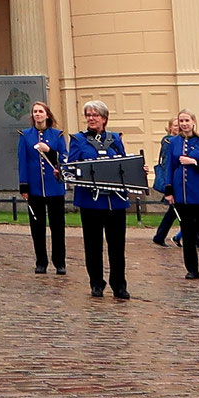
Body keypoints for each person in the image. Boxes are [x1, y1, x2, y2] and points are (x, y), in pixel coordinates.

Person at [68, 99, 131, 300]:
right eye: (88, 115)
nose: (91, 118)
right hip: (91, 201)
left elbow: (123, 162)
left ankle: (119, 285)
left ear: (104, 118)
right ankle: (96, 283)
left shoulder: (115, 138)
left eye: (95, 115)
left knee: (117, 246)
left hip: (115, 200)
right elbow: (72, 165)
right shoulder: (78, 140)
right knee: (93, 245)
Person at [160, 109, 199, 280]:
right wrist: (169, 191)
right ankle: (192, 269)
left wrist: (195, 162)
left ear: (193, 121)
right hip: (181, 194)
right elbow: (168, 167)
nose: (184, 124)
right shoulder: (173, 142)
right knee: (188, 233)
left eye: (186, 120)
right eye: (181, 121)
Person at [18, 100, 67, 276]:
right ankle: (41, 261)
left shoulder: (57, 135)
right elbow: (22, 161)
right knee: (37, 227)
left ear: (47, 114)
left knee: (57, 227)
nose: (38, 114)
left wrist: (49, 151)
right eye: (35, 111)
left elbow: (65, 159)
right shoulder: (25, 135)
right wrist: (24, 186)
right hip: (35, 188)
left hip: (54, 188)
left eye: (41, 111)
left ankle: (60, 262)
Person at [151, 112, 184, 249]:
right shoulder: (168, 141)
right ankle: (195, 239)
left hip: (180, 180)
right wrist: (168, 184)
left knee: (174, 212)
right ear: (170, 128)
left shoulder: (182, 140)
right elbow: (167, 163)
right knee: (179, 211)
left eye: (179, 125)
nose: (178, 127)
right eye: (175, 125)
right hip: (172, 181)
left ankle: (161, 236)